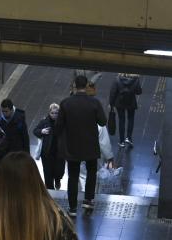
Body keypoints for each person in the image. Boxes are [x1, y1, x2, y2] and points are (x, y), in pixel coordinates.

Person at [54, 74, 107, 215]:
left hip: (72, 146)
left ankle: (72, 208)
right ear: (87, 86)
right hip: (90, 145)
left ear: (74, 86)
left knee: (73, 176)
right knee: (91, 172)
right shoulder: (94, 103)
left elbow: (58, 127)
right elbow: (103, 122)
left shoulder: (65, 103)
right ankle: (88, 200)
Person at [31, 103, 64, 190]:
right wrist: (42, 131)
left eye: (56, 113)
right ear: (49, 113)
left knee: (59, 171)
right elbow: (35, 131)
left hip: (59, 152)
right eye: (52, 113)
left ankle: (57, 180)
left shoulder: (62, 122)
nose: (54, 115)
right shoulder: (44, 122)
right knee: (48, 173)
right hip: (47, 153)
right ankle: (50, 191)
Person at [108, 73, 143, 148]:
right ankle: (129, 138)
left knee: (121, 120)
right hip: (131, 102)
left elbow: (113, 92)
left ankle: (121, 141)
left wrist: (111, 104)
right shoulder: (136, 79)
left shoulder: (117, 79)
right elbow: (139, 92)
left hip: (119, 102)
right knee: (131, 119)